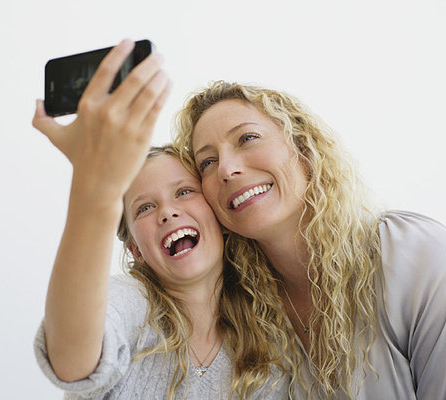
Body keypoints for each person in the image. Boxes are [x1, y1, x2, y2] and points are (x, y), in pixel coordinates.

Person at [31, 42, 288, 399]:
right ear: (136, 248)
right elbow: (71, 363)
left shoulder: (270, 337)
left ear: (219, 219)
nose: (167, 212)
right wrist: (95, 188)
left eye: (184, 192)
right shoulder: (133, 305)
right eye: (144, 208)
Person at [173, 81, 446, 399]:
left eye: (247, 138)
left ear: (303, 147)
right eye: (208, 162)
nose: (227, 169)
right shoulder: (239, 311)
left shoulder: (413, 255)